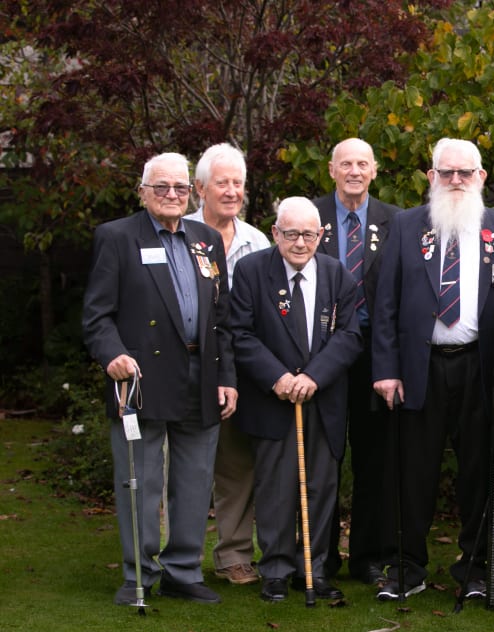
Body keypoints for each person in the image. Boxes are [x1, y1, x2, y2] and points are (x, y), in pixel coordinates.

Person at [82, 152, 237, 605]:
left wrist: (226, 376)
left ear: (192, 192)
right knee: (140, 480)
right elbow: (97, 315)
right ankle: (139, 575)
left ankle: (184, 572)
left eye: (180, 188)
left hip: (201, 374)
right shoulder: (116, 238)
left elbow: (222, 320)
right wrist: (112, 355)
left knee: (193, 479)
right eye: (162, 187)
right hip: (141, 376)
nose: (172, 195)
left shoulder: (207, 239)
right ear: (143, 191)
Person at [371, 138, 494, 601]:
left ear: (482, 178)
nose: (456, 180)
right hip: (420, 367)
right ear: (431, 177)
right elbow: (385, 303)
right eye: (447, 172)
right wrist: (386, 369)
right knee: (412, 472)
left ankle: (474, 568)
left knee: (479, 471)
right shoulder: (406, 225)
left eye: (466, 173)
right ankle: (407, 567)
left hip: (479, 368)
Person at [229, 197, 364, 603]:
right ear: (275, 233)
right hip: (273, 400)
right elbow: (241, 333)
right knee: (276, 488)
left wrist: (313, 377)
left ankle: (315, 568)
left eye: (308, 234)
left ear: (321, 235)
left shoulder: (338, 274)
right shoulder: (252, 271)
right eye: (291, 233)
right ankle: (275, 569)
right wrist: (280, 378)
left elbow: (350, 335)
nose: (300, 242)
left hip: (322, 402)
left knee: (321, 487)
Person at [313, 137, 402, 585]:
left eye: (362, 163)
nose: (353, 171)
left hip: (374, 351)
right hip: (320, 353)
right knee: (322, 455)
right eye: (345, 163)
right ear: (331, 169)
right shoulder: (310, 218)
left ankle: (367, 555)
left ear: (374, 170)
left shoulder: (397, 223)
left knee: (373, 457)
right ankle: (320, 556)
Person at [184, 142, 271, 587]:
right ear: (200, 188)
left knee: (236, 465)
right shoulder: (177, 233)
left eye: (239, 183)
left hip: (242, 370)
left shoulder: (258, 241)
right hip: (188, 369)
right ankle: (177, 558)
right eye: (223, 183)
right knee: (183, 466)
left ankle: (235, 555)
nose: (233, 191)